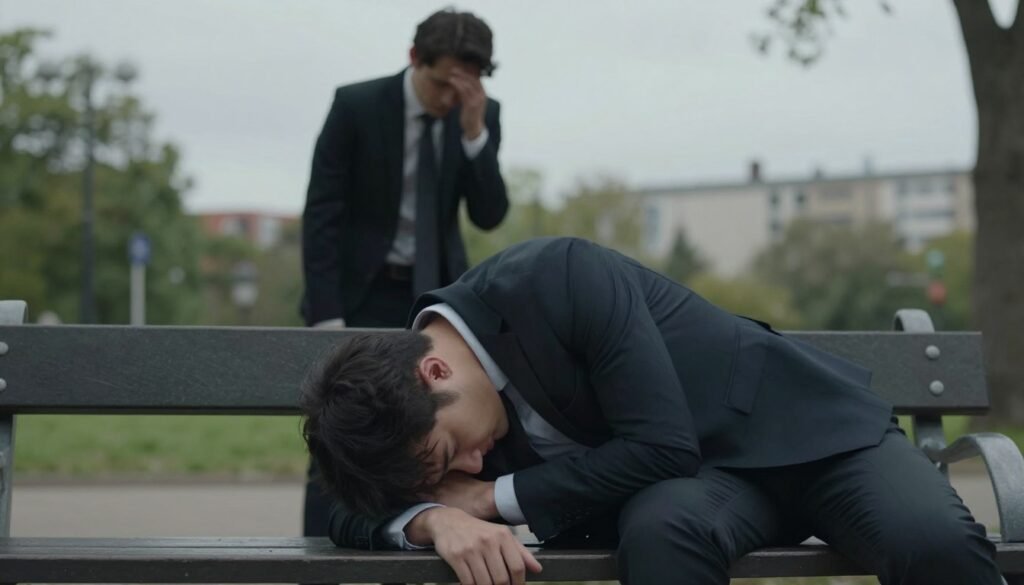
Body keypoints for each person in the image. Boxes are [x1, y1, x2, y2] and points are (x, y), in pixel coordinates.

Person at [300, 237, 1001, 585]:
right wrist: (431, 515)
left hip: (808, 436)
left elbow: (662, 444)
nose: (470, 462)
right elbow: (340, 508)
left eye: (453, 451)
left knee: (930, 540)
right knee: (661, 535)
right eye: (450, 469)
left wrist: (487, 498)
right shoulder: (399, 414)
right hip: (700, 491)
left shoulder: (557, 278)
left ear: (436, 369)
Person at [298, 8, 509, 537]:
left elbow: (489, 214)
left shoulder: (477, 115)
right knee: (343, 441)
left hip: (437, 303)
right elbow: (323, 212)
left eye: (464, 87)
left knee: (422, 449)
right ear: (415, 59)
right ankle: (316, 566)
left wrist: (475, 133)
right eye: (441, 84)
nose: (448, 98)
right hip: (361, 297)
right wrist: (327, 317)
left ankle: (408, 556)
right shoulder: (358, 105)